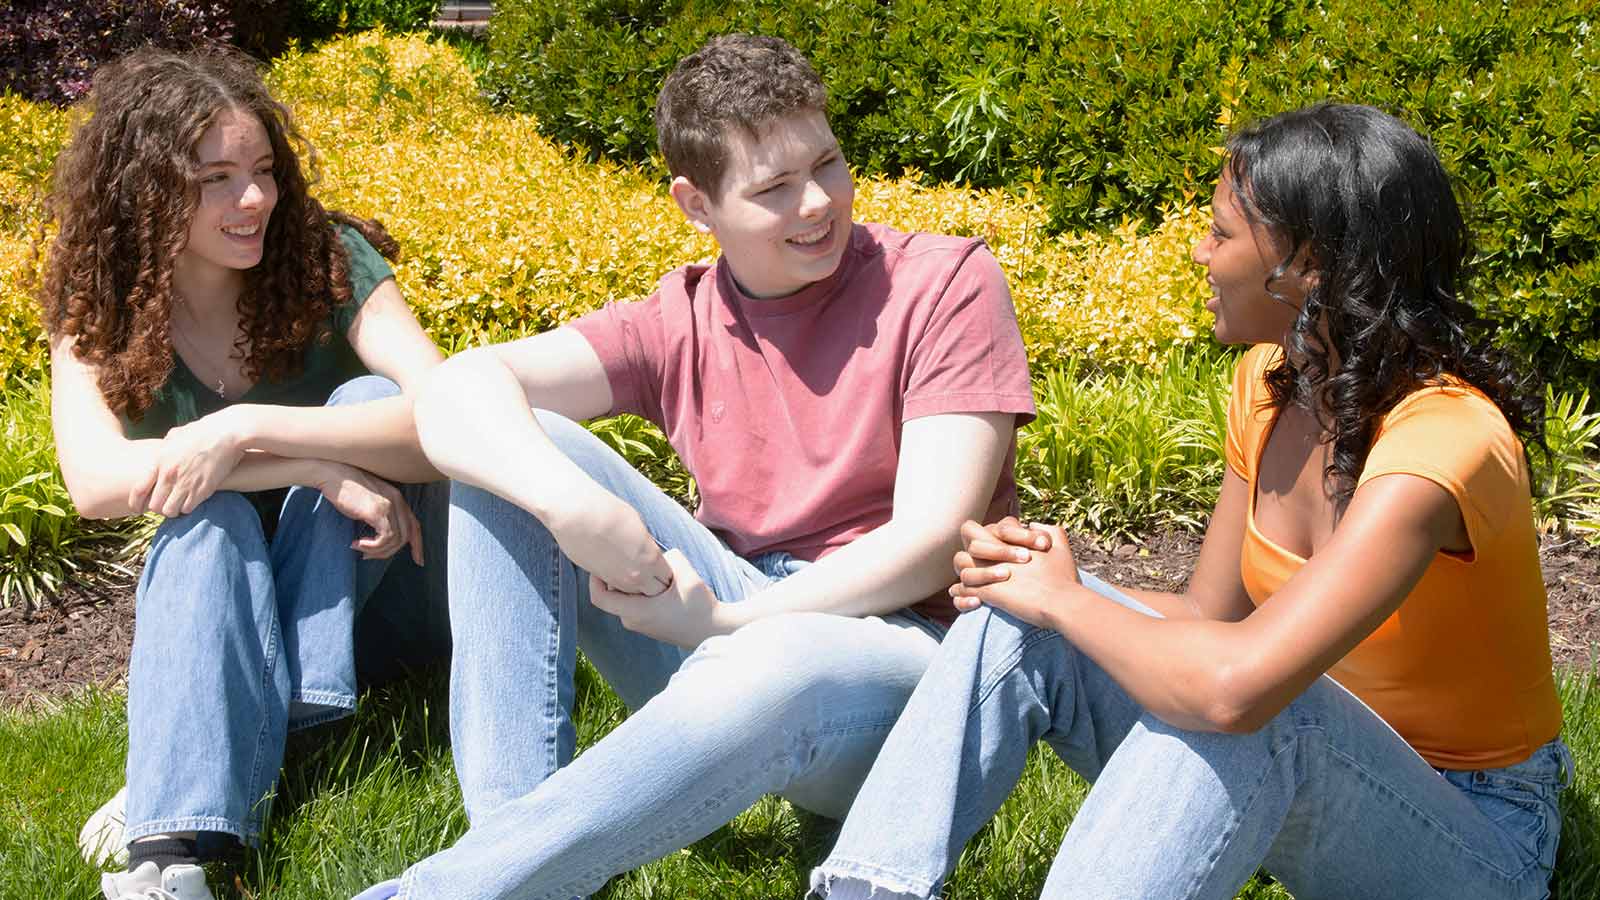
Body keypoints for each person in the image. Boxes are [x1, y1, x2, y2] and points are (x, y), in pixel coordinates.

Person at [810, 103, 1571, 900]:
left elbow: (1235, 690)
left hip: (1475, 833)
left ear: (1308, 264)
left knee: (1258, 709)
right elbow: (1211, 617)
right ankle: (868, 888)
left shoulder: (1444, 440)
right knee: (1019, 611)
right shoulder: (1272, 387)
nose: (1201, 255)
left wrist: (1070, 605)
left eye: (1220, 233)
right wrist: (1035, 588)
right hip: (1306, 764)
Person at [353, 33, 1034, 900]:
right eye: (774, 189)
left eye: (827, 164)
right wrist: (572, 508)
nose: (818, 203)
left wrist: (725, 628)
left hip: (904, 666)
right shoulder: (680, 317)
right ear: (695, 202)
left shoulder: (943, 284)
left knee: (778, 661)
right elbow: (459, 389)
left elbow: (932, 544)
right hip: (727, 615)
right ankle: (519, 848)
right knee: (522, 453)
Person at [38, 47, 451, 900]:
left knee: (366, 397)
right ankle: (175, 863)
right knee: (204, 519)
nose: (254, 198)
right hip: (235, 604)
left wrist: (244, 428)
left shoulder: (325, 257)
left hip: (388, 584)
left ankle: (200, 759)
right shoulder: (99, 306)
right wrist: (311, 463)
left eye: (262, 170)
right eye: (215, 178)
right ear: (145, 192)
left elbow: (444, 417)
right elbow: (96, 481)